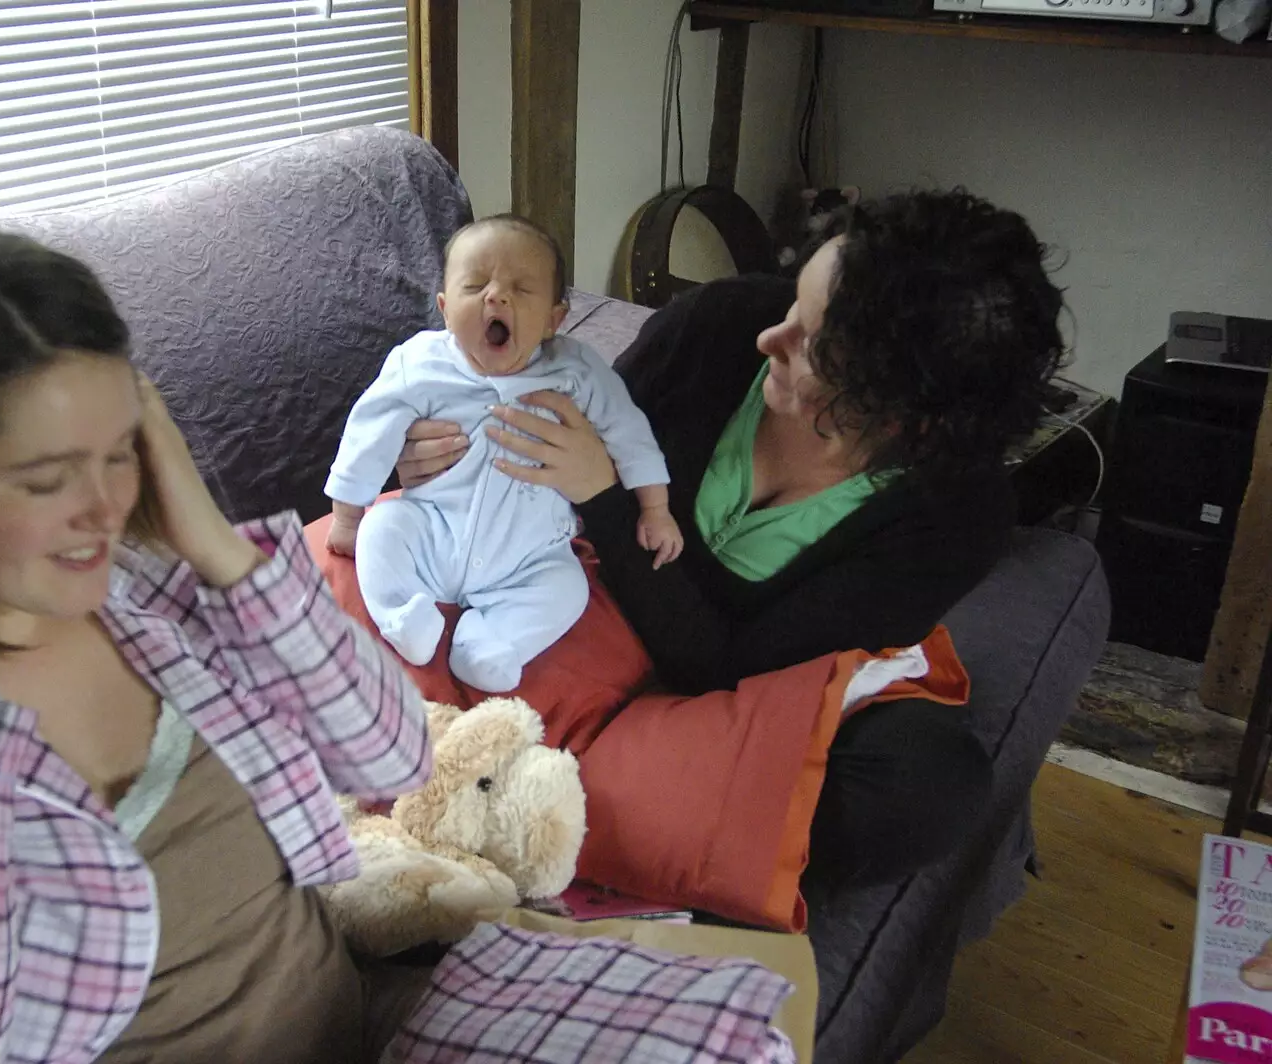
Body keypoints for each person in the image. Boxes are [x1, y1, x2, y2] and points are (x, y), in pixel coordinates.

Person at [0, 229, 799, 1064]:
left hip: (357, 1008)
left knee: (750, 1036)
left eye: (118, 451)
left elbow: (385, 754)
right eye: (41, 477)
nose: (99, 510)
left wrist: (217, 547)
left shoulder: (134, 565)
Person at [395, 190, 1068, 886]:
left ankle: (519, 808)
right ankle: (529, 811)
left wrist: (604, 498)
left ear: (903, 416)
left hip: (707, 693)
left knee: (928, 785)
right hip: (559, 596)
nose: (769, 339)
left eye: (813, 344)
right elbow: (553, 429)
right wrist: (427, 451)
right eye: (793, 308)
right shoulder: (721, 322)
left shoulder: (956, 518)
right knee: (380, 554)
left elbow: (731, 672)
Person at [325, 215, 681, 693]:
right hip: (435, 529)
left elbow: (629, 432)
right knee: (382, 530)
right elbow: (370, 430)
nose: (495, 295)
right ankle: (405, 618)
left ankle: (491, 644)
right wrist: (348, 516)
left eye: (521, 288)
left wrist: (654, 507)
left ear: (555, 320)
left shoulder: (575, 371)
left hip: (529, 554)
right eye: (475, 285)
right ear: (446, 309)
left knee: (566, 589)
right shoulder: (419, 363)